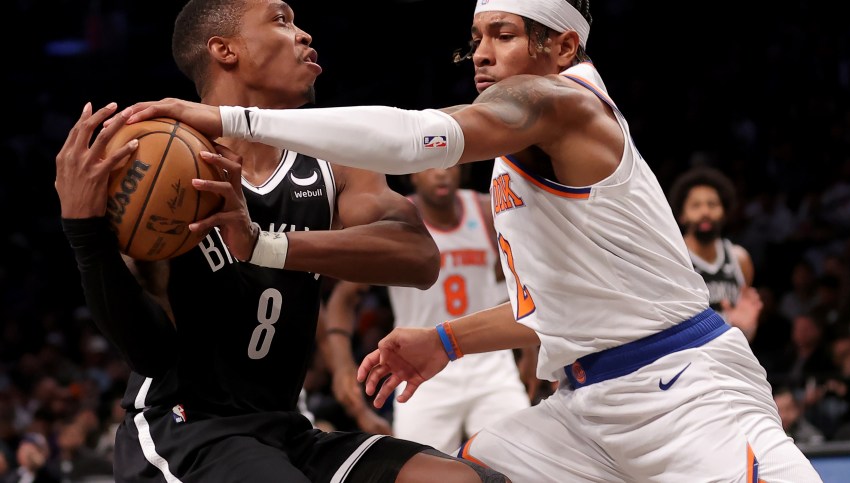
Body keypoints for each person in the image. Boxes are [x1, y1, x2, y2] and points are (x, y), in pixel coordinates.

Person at [122, 0, 824, 481]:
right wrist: (446, 340)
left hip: (688, 395)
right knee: (458, 473)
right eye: (476, 37)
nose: (481, 54)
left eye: (504, 36)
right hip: (585, 407)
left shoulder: (560, 101)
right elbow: (560, 307)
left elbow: (411, 136)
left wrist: (227, 117)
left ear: (563, 46)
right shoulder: (517, 152)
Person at [55, 0, 510, 482]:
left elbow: (420, 260)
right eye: (280, 20)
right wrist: (86, 235)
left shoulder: (332, 157)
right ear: (223, 50)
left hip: (287, 427)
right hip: (187, 427)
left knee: (468, 480)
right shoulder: (161, 159)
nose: (304, 34)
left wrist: (262, 243)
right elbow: (148, 353)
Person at [324, 166, 536, 454]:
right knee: (417, 467)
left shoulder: (486, 211)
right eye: (430, 166)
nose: (440, 174)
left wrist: (530, 352)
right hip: (419, 368)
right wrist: (341, 365)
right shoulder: (396, 220)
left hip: (490, 366)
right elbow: (343, 298)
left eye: (449, 165)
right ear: (412, 174)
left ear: (462, 171)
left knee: (522, 462)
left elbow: (517, 286)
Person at [668, 166, 763, 341]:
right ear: (682, 215)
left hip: (731, 357)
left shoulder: (740, 258)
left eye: (712, 204)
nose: (705, 212)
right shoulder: (673, 259)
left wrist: (746, 329)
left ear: (724, 212)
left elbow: (745, 327)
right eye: (696, 205)